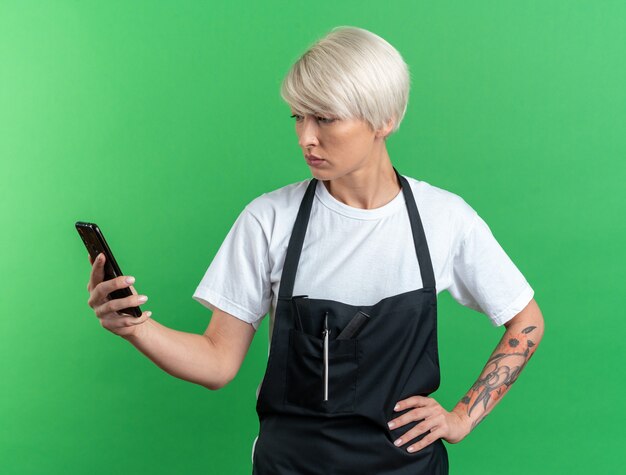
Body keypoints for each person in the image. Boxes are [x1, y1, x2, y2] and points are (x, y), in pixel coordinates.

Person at [86, 26, 544, 474]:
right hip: (290, 464)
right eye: (298, 117)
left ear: (384, 119)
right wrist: (136, 329)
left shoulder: (444, 219)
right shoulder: (269, 220)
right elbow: (217, 362)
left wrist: (462, 416)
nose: (306, 137)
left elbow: (526, 321)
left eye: (325, 118)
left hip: (406, 468)